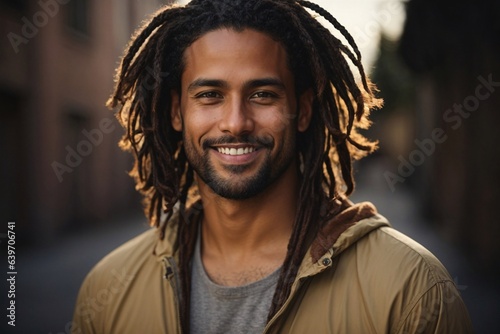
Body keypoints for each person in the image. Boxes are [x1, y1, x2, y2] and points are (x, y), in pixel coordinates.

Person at [72, 0, 473, 333]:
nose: (235, 122)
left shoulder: (411, 292)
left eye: (262, 94)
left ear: (302, 110)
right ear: (177, 112)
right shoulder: (108, 290)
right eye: (210, 95)